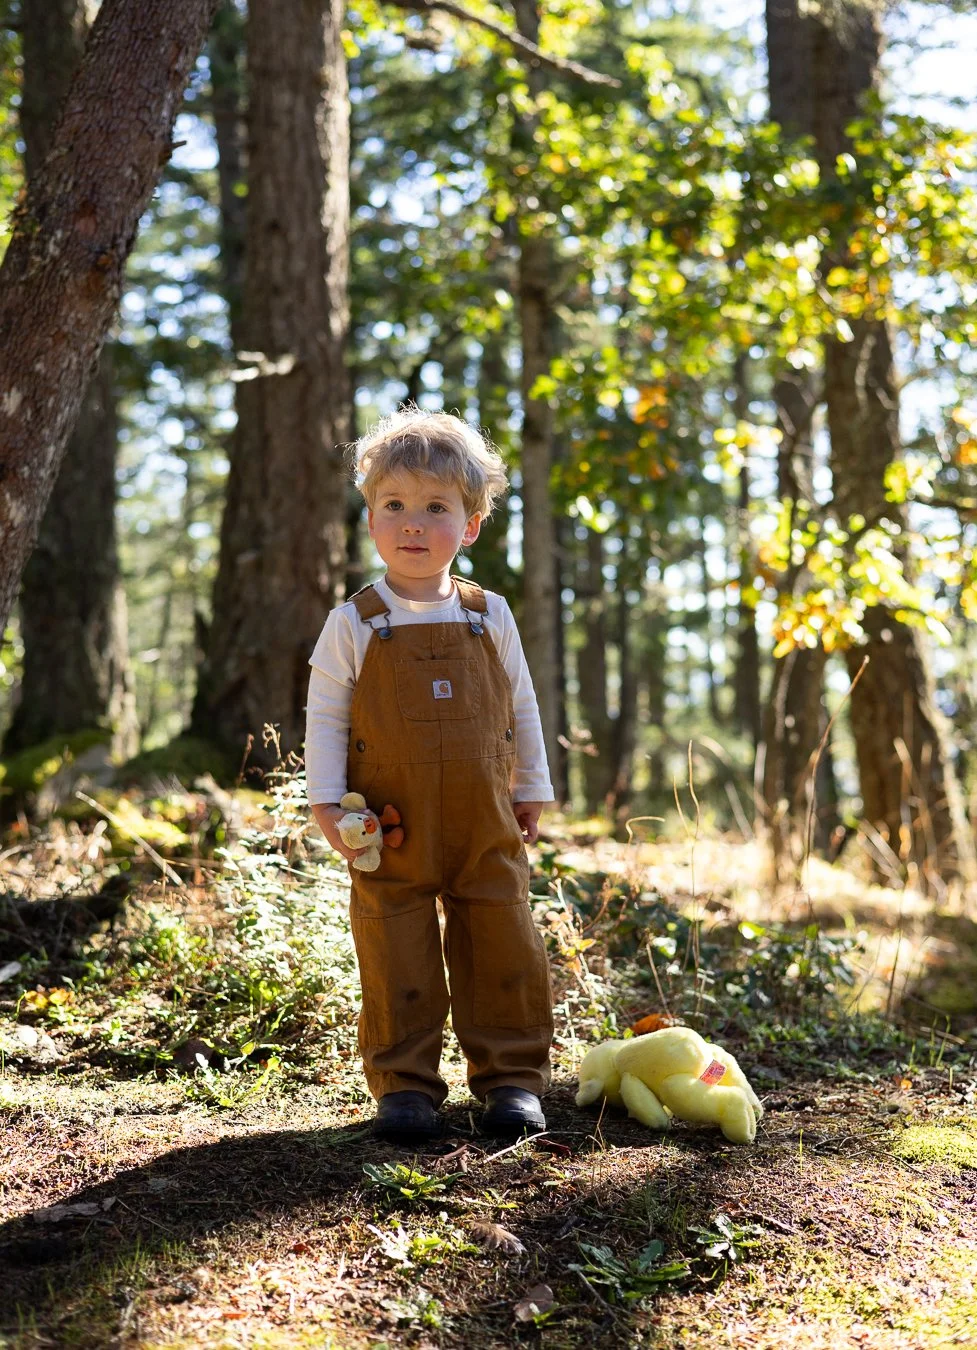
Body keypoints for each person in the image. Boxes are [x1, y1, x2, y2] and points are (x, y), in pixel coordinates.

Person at [304, 408, 555, 1143]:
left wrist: (530, 785)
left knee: (501, 933)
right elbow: (324, 716)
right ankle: (405, 1086)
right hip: (390, 822)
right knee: (394, 942)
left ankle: (510, 1078)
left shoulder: (488, 614)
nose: (412, 524)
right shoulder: (354, 621)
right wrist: (323, 802)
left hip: (484, 817)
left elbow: (522, 704)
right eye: (394, 506)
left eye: (435, 508)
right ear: (370, 516)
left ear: (470, 525)